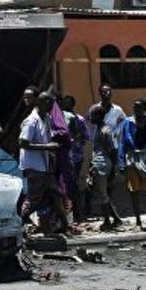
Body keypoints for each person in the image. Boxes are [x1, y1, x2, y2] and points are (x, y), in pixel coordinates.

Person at [19, 91, 67, 233]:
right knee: (33, 200)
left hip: (44, 166)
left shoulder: (46, 118)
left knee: (55, 194)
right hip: (34, 167)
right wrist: (47, 147)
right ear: (42, 103)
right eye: (50, 103)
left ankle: (63, 225)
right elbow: (23, 142)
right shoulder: (31, 121)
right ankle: (17, 225)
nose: (53, 106)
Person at [118, 98, 146, 229]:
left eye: (139, 107)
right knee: (134, 190)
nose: (136, 110)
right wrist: (121, 162)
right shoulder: (127, 122)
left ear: (144, 109)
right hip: (132, 157)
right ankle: (138, 220)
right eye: (134, 107)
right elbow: (122, 143)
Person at [88, 105, 121, 230]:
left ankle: (108, 220)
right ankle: (116, 219)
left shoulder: (105, 130)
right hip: (99, 164)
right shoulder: (98, 129)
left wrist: (113, 169)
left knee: (102, 195)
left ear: (98, 116)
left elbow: (113, 150)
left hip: (102, 165)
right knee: (103, 194)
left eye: (92, 115)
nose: (90, 118)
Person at [62, 95, 90, 223]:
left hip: (76, 157)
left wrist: (74, 143)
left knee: (72, 185)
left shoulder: (78, 119)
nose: (65, 105)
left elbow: (85, 137)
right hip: (65, 156)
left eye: (68, 103)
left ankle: (79, 213)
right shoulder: (59, 118)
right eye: (64, 103)